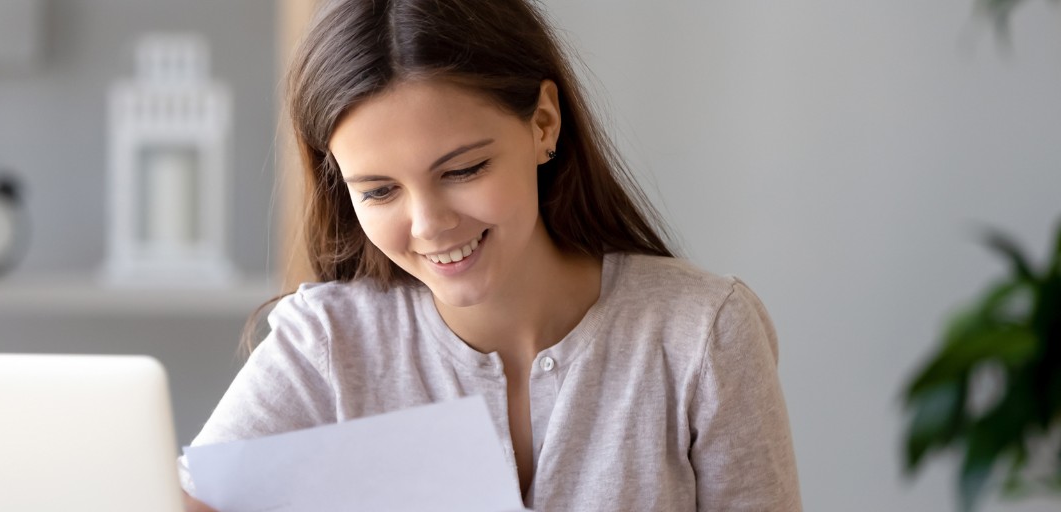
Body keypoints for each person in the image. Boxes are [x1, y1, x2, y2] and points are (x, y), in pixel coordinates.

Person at [181, 0, 801, 510]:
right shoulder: (328, 343)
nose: (429, 226)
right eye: (379, 191)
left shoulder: (701, 333)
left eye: (464, 169)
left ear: (543, 124)